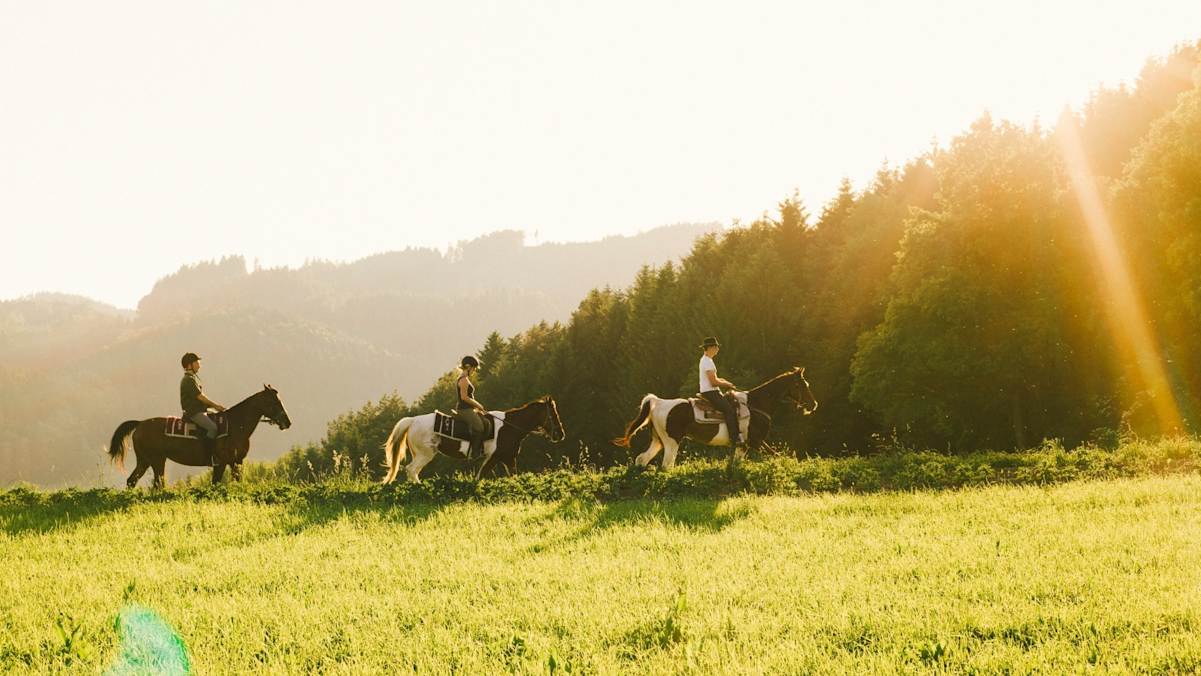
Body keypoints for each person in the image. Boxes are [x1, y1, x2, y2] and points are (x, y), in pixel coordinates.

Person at [180, 352, 227, 466]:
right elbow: (201, 397)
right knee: (213, 428)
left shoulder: (191, 379)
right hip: (194, 413)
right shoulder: (188, 380)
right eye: (196, 362)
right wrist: (216, 406)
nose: (199, 365)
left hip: (199, 410)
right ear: (189, 365)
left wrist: (216, 408)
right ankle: (208, 457)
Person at [698, 337, 742, 445]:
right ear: (709, 348)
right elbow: (713, 382)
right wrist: (726, 384)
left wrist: (727, 382)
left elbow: (716, 378)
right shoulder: (707, 362)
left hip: (709, 391)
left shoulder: (707, 360)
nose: (717, 349)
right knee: (729, 410)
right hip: (710, 392)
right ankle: (734, 437)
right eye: (715, 347)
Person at [453, 355, 488, 458]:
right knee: (479, 427)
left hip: (469, 409)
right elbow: (464, 397)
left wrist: (477, 408)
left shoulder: (465, 379)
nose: (474, 370)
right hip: (464, 410)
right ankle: (475, 453)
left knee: (485, 422)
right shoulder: (463, 380)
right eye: (474, 368)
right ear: (468, 367)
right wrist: (478, 405)